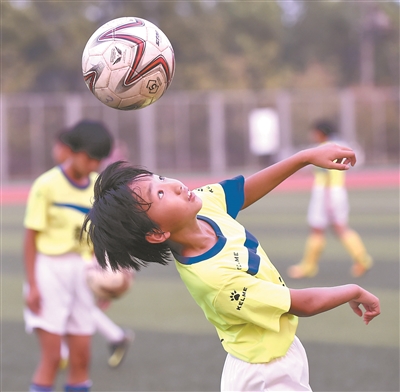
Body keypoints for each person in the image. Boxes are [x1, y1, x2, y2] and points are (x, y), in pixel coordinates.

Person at [81, 143, 380, 391]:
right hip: (264, 373)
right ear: (157, 233)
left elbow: (245, 191)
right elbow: (299, 303)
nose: (172, 185)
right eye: (159, 194)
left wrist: (305, 157)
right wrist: (351, 290)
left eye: (160, 178)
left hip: (280, 350)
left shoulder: (202, 205)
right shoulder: (216, 280)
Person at [24, 120, 115, 392]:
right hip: (50, 270)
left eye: (99, 160)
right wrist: (33, 285)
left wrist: (105, 278)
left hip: (84, 272)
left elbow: (100, 236)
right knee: (54, 358)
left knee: (81, 358)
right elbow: (31, 239)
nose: (94, 165)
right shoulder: (47, 185)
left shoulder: (98, 188)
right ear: (72, 151)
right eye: (90, 157)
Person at [52, 131, 134, 369]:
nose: (56, 152)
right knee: (72, 304)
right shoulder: (58, 182)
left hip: (79, 258)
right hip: (68, 258)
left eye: (59, 147)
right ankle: (115, 337)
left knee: (68, 304)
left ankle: (65, 353)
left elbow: (105, 229)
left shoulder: (93, 186)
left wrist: (105, 265)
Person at [287, 120, 373, 279]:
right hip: (337, 191)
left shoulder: (324, 148)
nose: (311, 135)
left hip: (326, 193)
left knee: (319, 228)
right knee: (339, 228)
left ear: (320, 132)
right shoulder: (338, 145)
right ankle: (363, 260)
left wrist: (326, 201)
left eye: (313, 132)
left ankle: (309, 266)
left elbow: (325, 173)